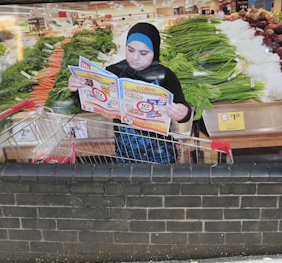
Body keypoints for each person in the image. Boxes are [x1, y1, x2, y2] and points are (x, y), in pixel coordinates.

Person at [69, 22, 192, 163]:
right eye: (130, 50)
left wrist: (183, 112)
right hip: (126, 153)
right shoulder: (114, 72)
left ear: (155, 52)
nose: (135, 58)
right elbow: (87, 102)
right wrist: (77, 89)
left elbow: (184, 110)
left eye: (143, 53)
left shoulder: (165, 75)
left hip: (161, 152)